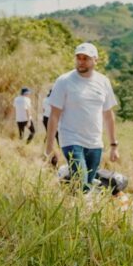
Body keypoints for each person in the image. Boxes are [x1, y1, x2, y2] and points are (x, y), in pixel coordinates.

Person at [43, 42, 119, 190]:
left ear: (95, 60)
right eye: (79, 57)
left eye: (86, 58)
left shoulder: (103, 82)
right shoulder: (64, 81)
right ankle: (77, 205)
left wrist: (114, 145)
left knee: (86, 184)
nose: (81, 61)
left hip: (95, 142)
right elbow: (54, 115)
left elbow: (108, 115)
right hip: (71, 139)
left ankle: (65, 182)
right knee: (82, 184)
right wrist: (49, 147)